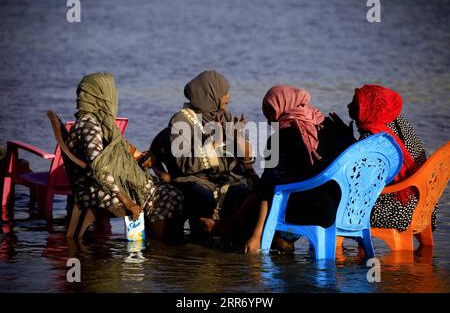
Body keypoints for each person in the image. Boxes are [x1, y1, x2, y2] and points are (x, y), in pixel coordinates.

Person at [66, 73, 183, 240]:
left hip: (101, 184)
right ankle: (159, 247)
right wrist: (128, 201)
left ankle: (157, 241)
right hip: (94, 189)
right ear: (100, 95)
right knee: (167, 196)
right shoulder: (89, 126)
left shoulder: (100, 123)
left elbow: (121, 149)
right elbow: (100, 170)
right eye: (110, 92)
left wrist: (144, 157)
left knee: (166, 191)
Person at [245, 85, 355, 253]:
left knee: (272, 219)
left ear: (279, 108)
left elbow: (267, 190)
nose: (268, 121)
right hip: (346, 207)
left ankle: (285, 253)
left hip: (314, 210)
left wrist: (256, 235)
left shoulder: (280, 138)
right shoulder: (330, 125)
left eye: (269, 113)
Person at [155, 70, 258, 241]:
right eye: (224, 93)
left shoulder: (222, 115)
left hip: (226, 180)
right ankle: (202, 248)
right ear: (210, 94)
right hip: (194, 180)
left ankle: (236, 241)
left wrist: (239, 139)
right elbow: (183, 163)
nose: (228, 97)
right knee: (202, 198)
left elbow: (247, 159)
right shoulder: (182, 120)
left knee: (246, 194)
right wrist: (214, 144)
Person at [347, 84, 436, 232]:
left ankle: (346, 252)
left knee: (340, 204)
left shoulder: (374, 137)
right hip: (425, 204)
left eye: (356, 104)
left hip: (401, 209)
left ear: (371, 108)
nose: (349, 106)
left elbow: (359, 180)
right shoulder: (398, 122)